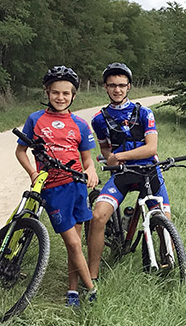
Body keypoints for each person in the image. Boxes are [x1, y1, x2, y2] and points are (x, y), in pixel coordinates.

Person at [15, 66, 100, 308]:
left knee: (76, 243)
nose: (60, 97)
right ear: (47, 92)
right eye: (55, 93)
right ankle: (92, 290)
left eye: (65, 93)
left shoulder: (80, 124)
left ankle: (73, 289)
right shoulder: (36, 119)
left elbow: (87, 159)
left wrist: (91, 170)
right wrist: (33, 172)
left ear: (73, 96)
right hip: (52, 188)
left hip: (78, 188)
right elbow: (21, 150)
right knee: (72, 243)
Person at [87, 62, 170, 281]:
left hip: (149, 171)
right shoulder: (99, 119)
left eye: (122, 85)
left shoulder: (144, 113)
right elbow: (105, 147)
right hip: (122, 175)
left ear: (129, 86)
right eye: (112, 85)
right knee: (98, 216)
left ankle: (166, 268)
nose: (117, 90)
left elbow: (151, 148)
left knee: (165, 224)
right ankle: (92, 276)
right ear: (105, 87)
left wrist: (119, 156)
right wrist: (109, 156)